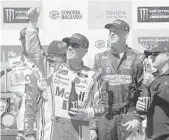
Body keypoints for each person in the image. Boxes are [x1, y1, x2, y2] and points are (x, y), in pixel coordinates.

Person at [24, 33, 108, 140]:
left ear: (85, 51)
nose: (69, 47)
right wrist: (33, 23)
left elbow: (103, 106)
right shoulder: (52, 69)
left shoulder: (94, 76)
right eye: (68, 44)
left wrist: (88, 115)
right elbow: (33, 50)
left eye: (75, 45)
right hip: (54, 127)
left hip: (81, 127)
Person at [90, 19, 146, 140]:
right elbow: (93, 95)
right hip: (105, 119)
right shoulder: (99, 58)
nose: (111, 33)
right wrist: (92, 126)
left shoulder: (138, 58)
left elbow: (144, 91)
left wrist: (138, 118)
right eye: (110, 31)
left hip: (129, 117)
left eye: (116, 31)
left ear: (126, 34)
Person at [136, 41, 169, 140]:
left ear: (167, 55)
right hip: (151, 135)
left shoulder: (153, 80)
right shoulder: (154, 77)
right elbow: (146, 107)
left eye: (155, 54)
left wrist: (153, 83)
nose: (152, 57)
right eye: (150, 55)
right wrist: (140, 107)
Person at [25, 7, 67, 78]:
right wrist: (33, 21)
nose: (66, 57)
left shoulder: (70, 68)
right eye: (63, 55)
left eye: (66, 53)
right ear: (52, 57)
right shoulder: (47, 69)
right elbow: (32, 48)